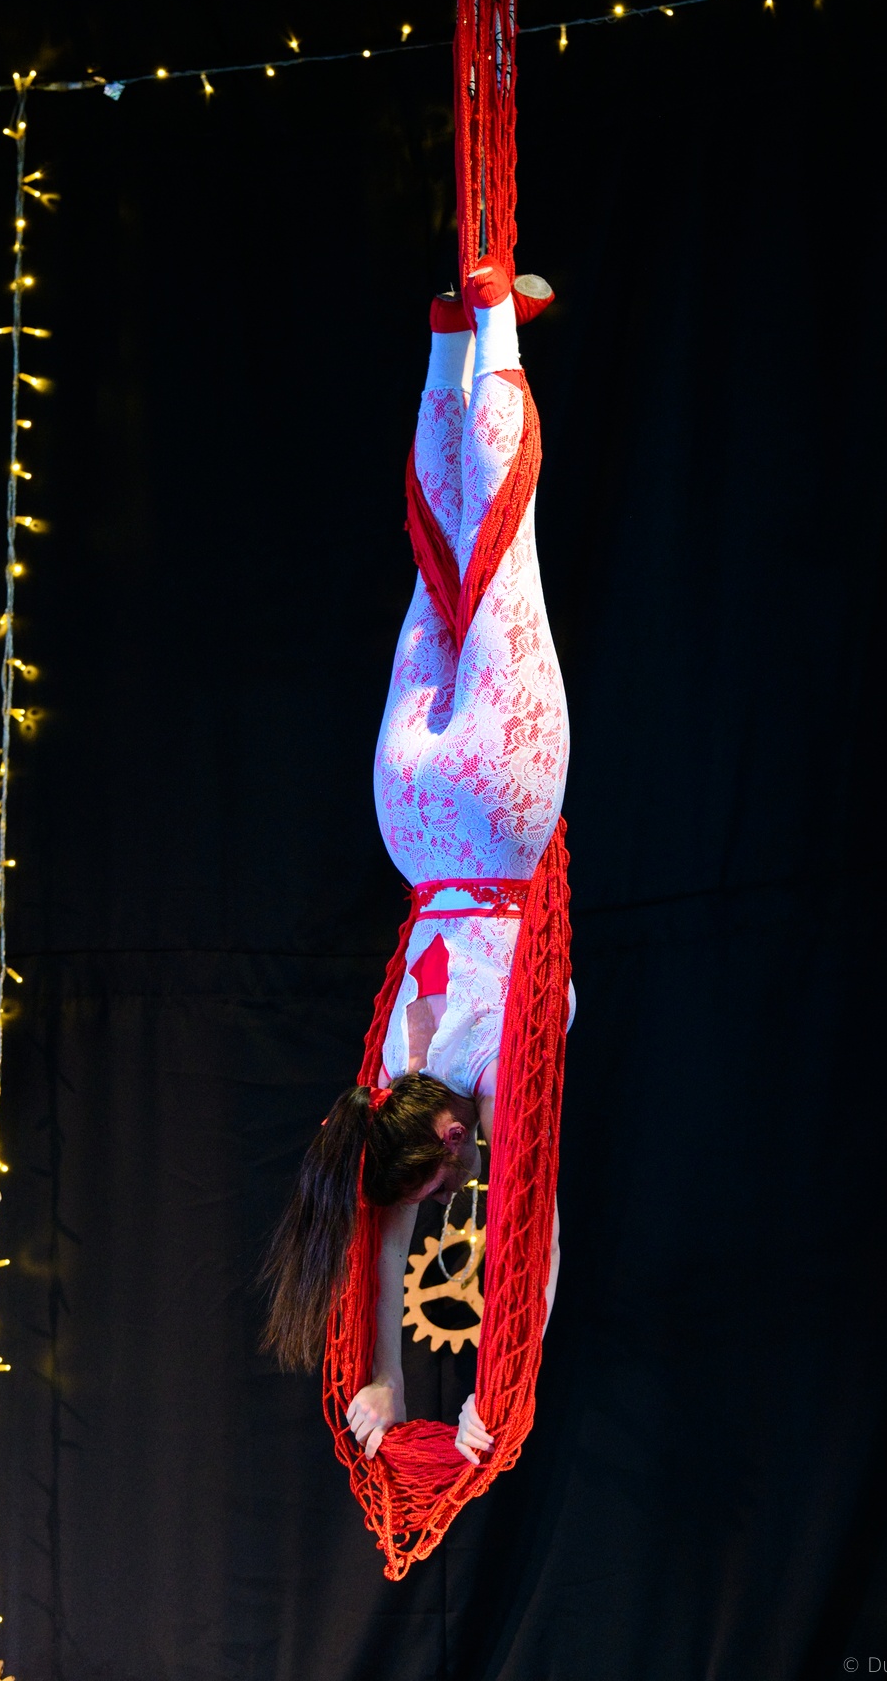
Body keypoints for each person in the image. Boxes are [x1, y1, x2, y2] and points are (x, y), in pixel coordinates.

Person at [262, 259, 570, 1468]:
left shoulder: (492, 1081)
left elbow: (531, 1234)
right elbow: (377, 1229)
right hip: (413, 819)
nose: (460, 1185)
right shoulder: (384, 1081)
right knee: (441, 567)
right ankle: (453, 335)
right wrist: (383, 1381)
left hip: (498, 807)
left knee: (503, 543)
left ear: (444, 1137)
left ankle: (494, 318)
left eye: (449, 1178)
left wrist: (496, 1389)